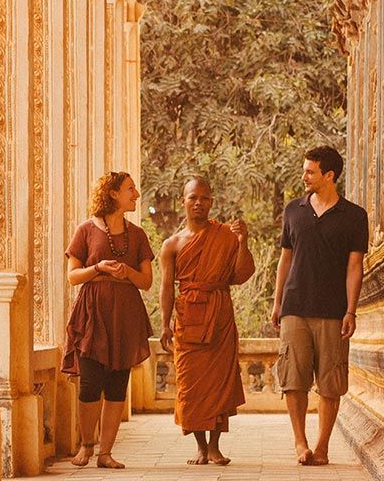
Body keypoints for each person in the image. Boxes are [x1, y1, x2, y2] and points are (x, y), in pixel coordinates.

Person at [270, 146, 368, 466]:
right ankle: (300, 443)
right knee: (293, 380)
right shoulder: (293, 210)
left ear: (329, 175)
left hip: (333, 311)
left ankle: (322, 446)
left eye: (310, 171)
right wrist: (277, 302)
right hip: (295, 306)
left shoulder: (355, 216)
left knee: (331, 383)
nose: (304, 176)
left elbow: (355, 267)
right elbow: (285, 260)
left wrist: (351, 310)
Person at [159, 177, 255, 466]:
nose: (198, 202)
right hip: (188, 317)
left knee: (219, 383)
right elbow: (166, 286)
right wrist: (165, 324)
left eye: (204, 198)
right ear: (183, 202)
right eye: (192, 198)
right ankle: (200, 447)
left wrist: (243, 241)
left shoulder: (225, 235)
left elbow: (239, 275)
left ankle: (215, 446)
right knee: (190, 385)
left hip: (219, 314)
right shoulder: (172, 244)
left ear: (211, 202)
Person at [62, 171, 155, 469]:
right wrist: (98, 268)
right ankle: (86, 445)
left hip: (125, 315)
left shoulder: (138, 235)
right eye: (131, 189)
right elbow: (73, 276)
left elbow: (147, 282)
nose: (136, 194)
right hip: (93, 313)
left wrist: (127, 273)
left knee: (117, 385)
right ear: (113, 193)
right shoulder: (86, 230)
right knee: (89, 383)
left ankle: (106, 453)